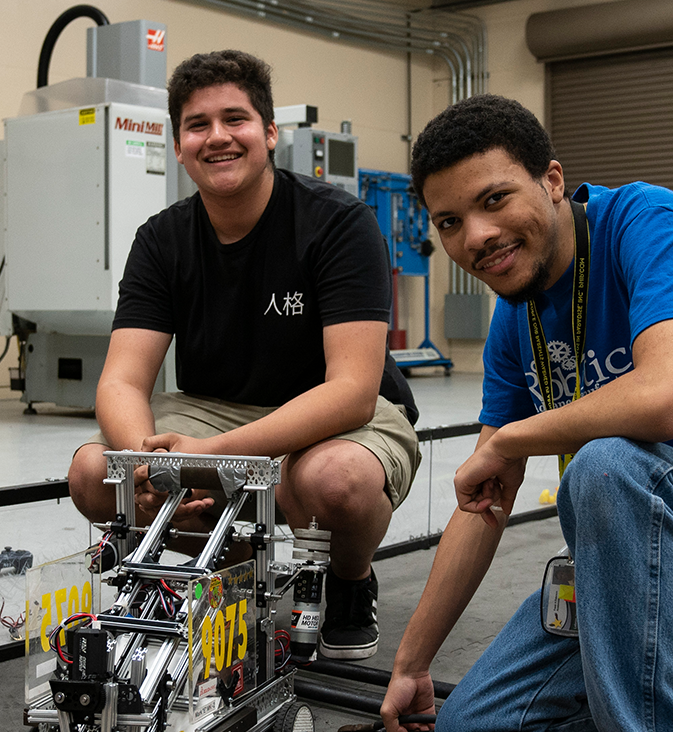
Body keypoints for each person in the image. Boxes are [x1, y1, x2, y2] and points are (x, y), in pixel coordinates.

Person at [380, 96, 673, 731]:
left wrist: (514, 438)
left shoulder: (645, 222)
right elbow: (483, 498)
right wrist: (411, 663)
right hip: (627, 570)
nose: (476, 236)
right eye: (448, 222)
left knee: (608, 467)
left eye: (494, 200)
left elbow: (667, 398)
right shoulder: (513, 317)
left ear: (552, 182)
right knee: (473, 725)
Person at [66, 50, 422, 660]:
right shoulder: (162, 240)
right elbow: (122, 382)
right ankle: (234, 582)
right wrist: (146, 472)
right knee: (94, 473)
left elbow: (352, 390)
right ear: (178, 146)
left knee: (335, 482)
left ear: (270, 134)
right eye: (197, 124)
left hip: (337, 419)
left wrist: (204, 456)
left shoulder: (338, 223)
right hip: (216, 408)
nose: (217, 137)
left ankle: (347, 580)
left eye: (236, 119)